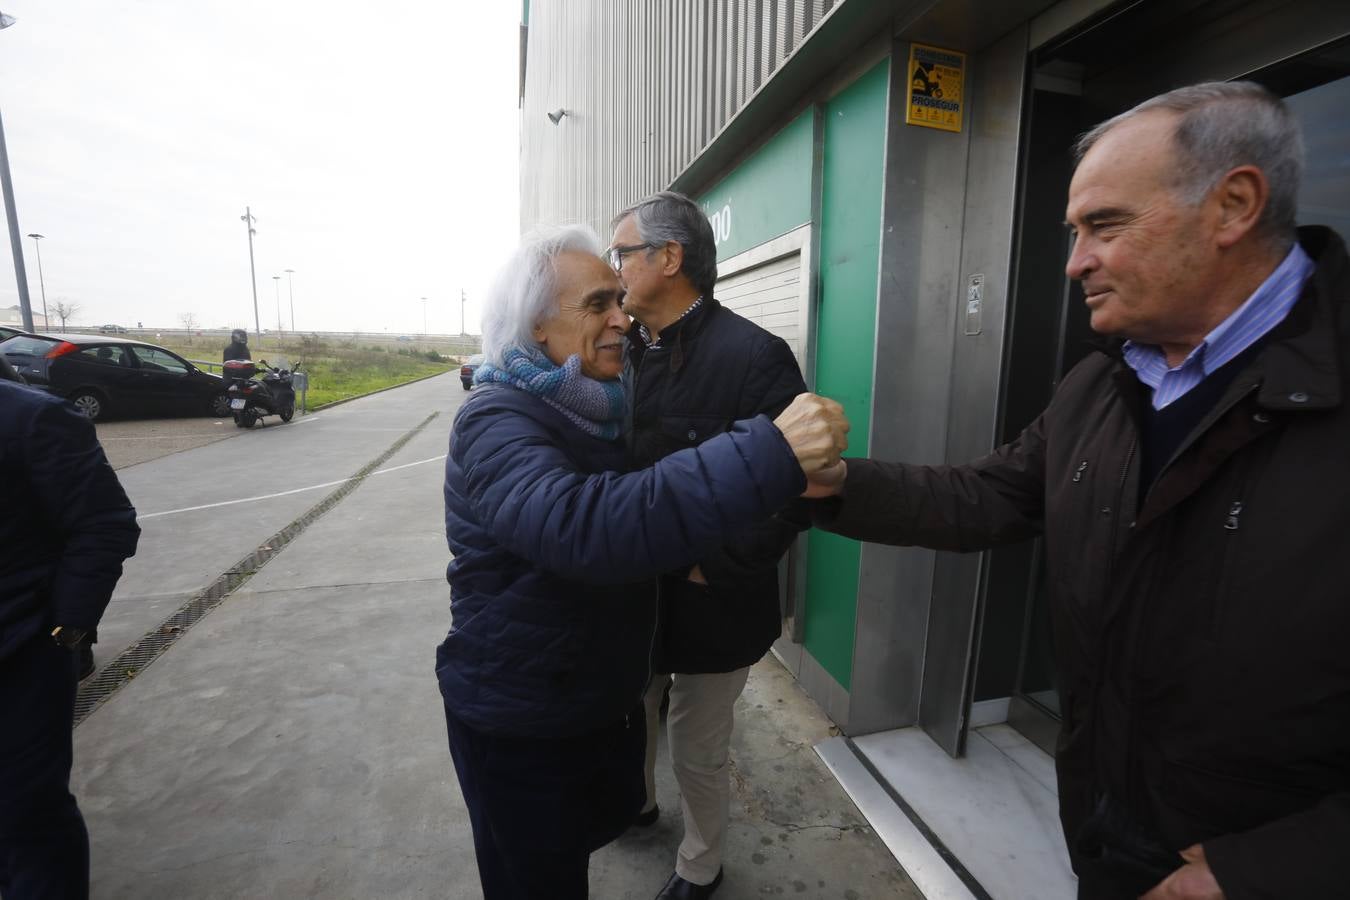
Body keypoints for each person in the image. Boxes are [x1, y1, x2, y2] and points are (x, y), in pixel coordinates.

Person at [803, 81, 1349, 900]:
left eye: (1106, 225)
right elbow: (987, 496)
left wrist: (1274, 868)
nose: (1075, 262)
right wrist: (836, 482)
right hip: (1105, 832)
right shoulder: (1102, 382)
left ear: (1233, 205)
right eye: (1073, 231)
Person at [436, 224, 848, 900]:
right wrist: (766, 453)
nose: (621, 320)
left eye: (618, 299)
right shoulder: (497, 417)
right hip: (524, 721)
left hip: (588, 698)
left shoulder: (588, 407)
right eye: (599, 304)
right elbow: (584, 523)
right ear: (537, 324)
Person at [608, 191, 807, 900]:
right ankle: (635, 805)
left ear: (669, 258)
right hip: (639, 593)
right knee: (635, 709)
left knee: (698, 742)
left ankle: (700, 863)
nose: (615, 271)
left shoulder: (755, 356)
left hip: (714, 600)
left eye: (623, 253)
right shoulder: (627, 352)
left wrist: (709, 565)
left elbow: (796, 486)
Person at [0, 374, 141, 899]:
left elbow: (105, 522)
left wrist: (67, 628)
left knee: (24, 814)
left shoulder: (31, 418)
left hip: (20, 652)